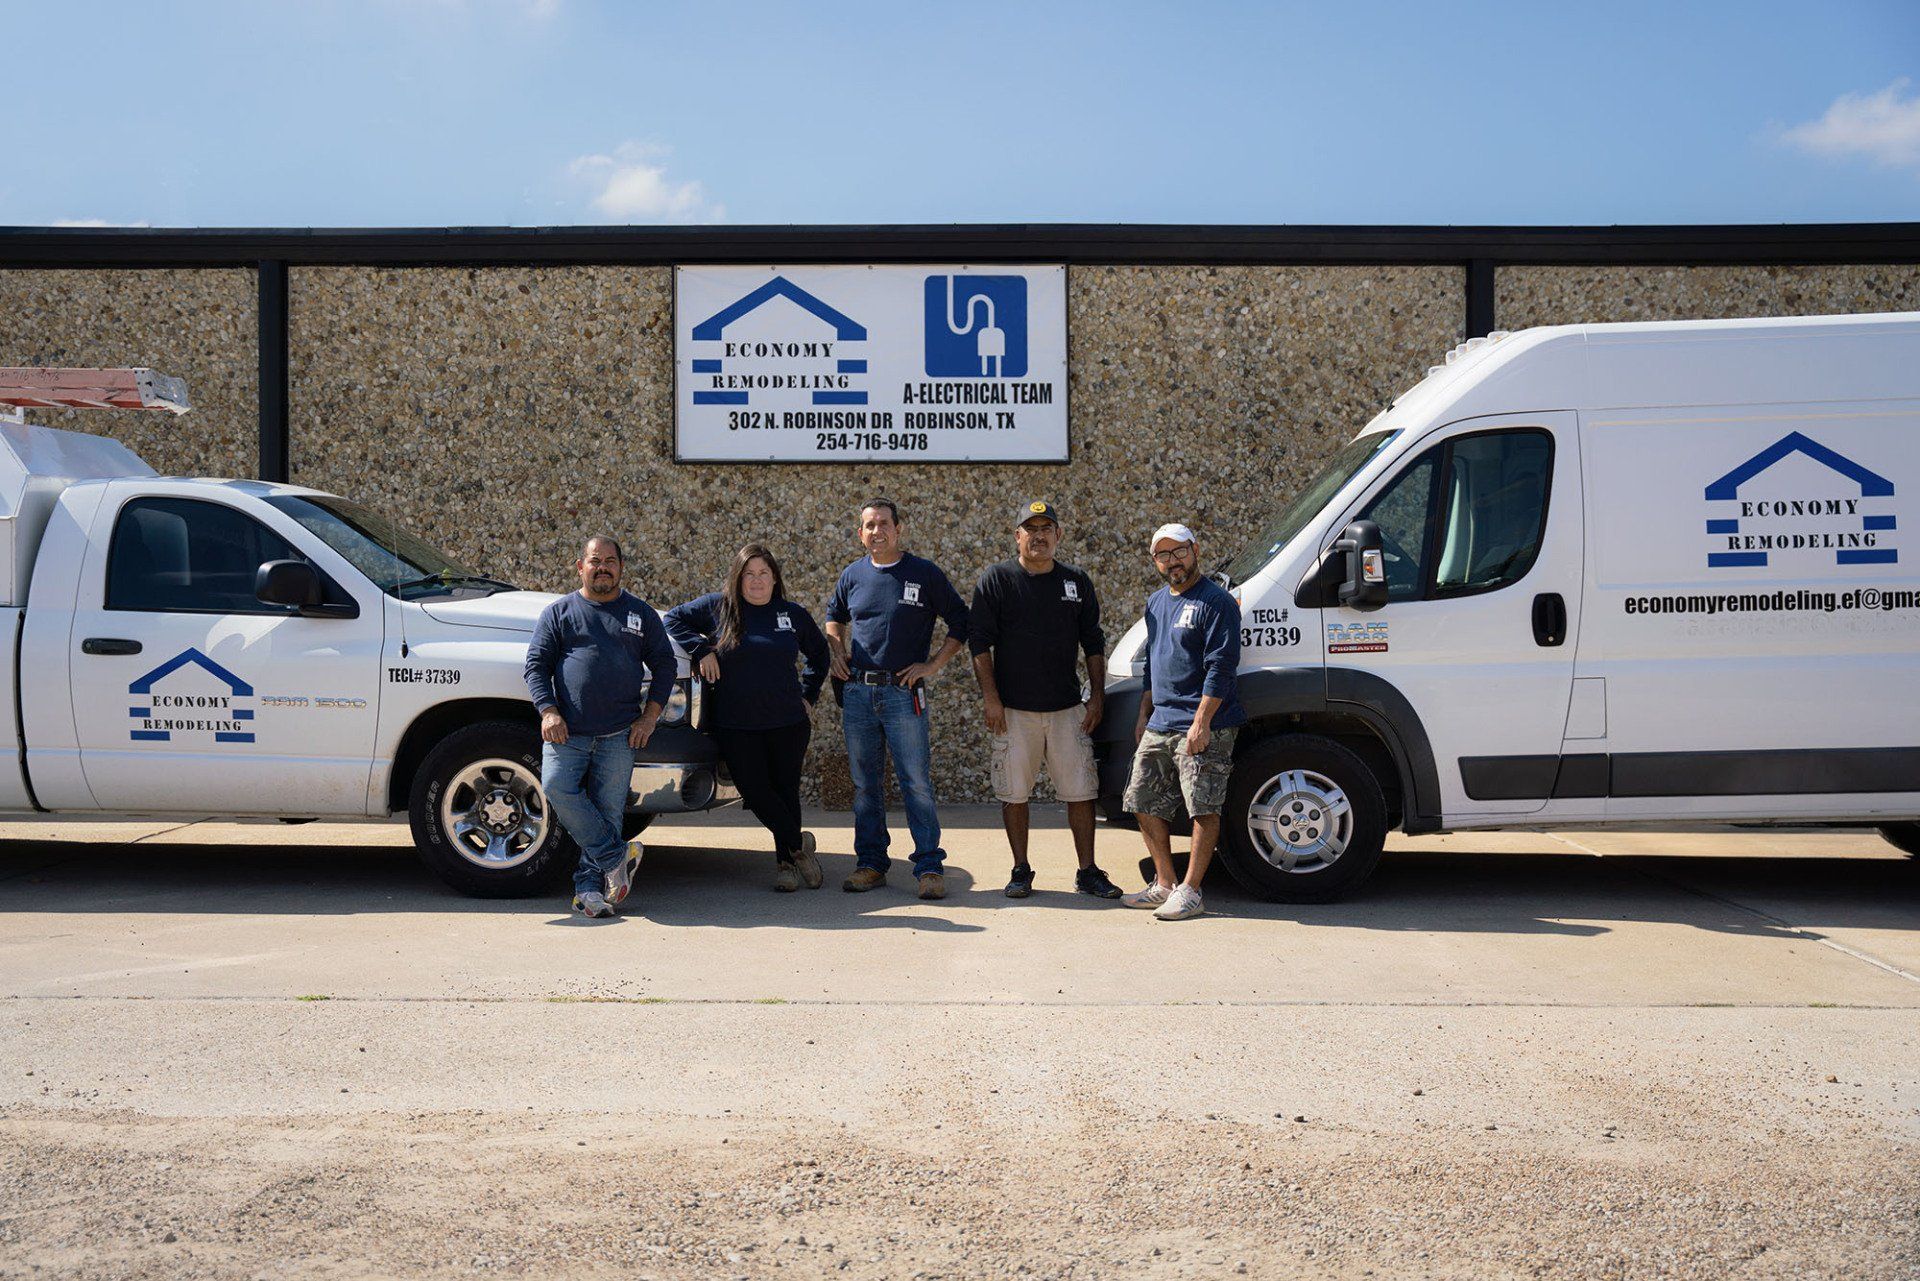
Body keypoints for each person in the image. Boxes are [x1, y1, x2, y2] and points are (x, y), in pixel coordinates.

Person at [969, 500, 1122, 899]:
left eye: (1046, 528)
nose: (1038, 536)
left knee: (1081, 792)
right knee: (1014, 794)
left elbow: (1093, 642)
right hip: (1014, 712)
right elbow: (980, 643)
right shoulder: (997, 579)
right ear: (1017, 536)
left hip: (1067, 709)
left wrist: (1097, 697)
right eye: (1030, 528)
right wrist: (991, 699)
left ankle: (1087, 871)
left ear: (1058, 536)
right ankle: (1020, 870)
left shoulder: (1076, 581)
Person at [524, 535, 676, 918]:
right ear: (581, 567)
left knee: (608, 813)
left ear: (621, 568)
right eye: (595, 560)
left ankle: (589, 891)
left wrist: (650, 716)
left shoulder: (640, 615)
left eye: (610, 561)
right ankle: (616, 856)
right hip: (566, 733)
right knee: (556, 788)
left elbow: (666, 666)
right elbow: (536, 666)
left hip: (619, 735)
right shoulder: (559, 613)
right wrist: (548, 711)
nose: (603, 567)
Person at [824, 498, 969, 899]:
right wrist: (836, 648)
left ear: (898, 529)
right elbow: (833, 614)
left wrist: (933, 664)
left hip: (904, 695)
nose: (876, 532)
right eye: (869, 526)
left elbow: (961, 620)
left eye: (883, 524)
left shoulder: (923, 573)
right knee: (865, 786)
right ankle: (871, 864)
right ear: (860, 533)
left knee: (916, 783)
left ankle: (928, 867)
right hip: (858, 694)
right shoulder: (853, 574)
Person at [665, 544, 831, 893]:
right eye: (749, 574)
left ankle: (786, 864)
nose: (756, 581)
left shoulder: (791, 613)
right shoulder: (718, 608)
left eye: (763, 573)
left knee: (786, 790)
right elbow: (672, 619)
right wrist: (701, 649)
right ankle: (799, 846)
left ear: (774, 579)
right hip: (735, 725)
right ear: (737, 578)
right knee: (756, 792)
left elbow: (819, 653)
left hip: (787, 722)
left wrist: (808, 695)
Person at [1121, 523, 1246, 921]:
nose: (1172, 561)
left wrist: (1202, 722)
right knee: (1140, 800)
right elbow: (1152, 666)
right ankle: (1165, 884)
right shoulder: (1157, 602)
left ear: (1194, 550)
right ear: (1154, 561)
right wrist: (1144, 712)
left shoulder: (1216, 601)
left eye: (1179, 552)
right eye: (1163, 555)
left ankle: (1192, 892)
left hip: (1203, 722)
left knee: (1203, 808)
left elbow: (1221, 667)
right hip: (1162, 720)